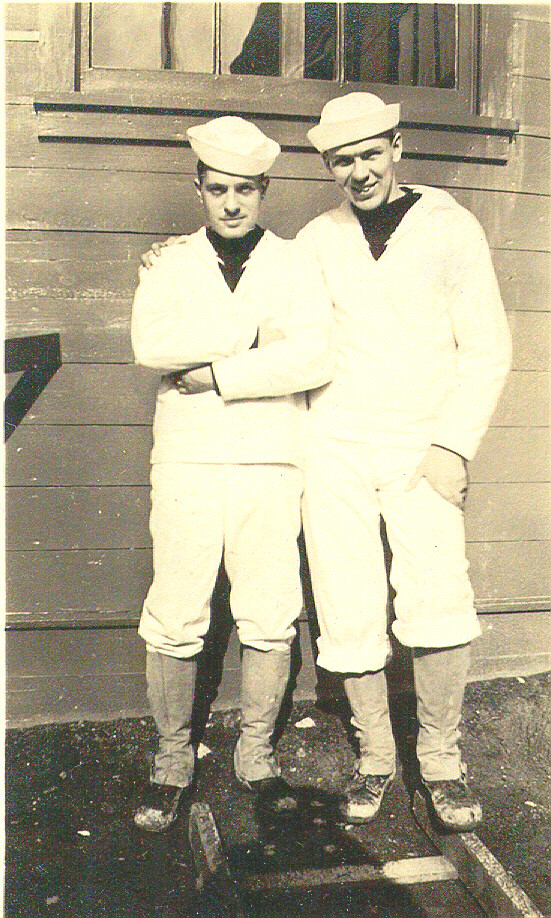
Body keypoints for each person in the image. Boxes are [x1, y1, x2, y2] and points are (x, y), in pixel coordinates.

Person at [297, 92, 512, 831]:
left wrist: (453, 446)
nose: (358, 172)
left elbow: (485, 349)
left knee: (436, 598)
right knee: (348, 600)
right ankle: (377, 758)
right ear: (328, 165)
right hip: (335, 441)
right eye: (341, 160)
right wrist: (174, 258)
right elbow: (264, 308)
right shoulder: (316, 238)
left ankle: (443, 764)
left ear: (396, 145)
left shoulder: (449, 228)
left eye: (369, 154)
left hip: (422, 443)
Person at [131, 115, 334, 832]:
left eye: (245, 189)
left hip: (269, 458)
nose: (231, 203)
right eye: (217, 188)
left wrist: (213, 370)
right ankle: (172, 759)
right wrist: (254, 337)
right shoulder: (169, 262)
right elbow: (151, 343)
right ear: (199, 188)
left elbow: (313, 357)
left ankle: (255, 755)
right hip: (187, 458)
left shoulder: (294, 262)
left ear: (263, 190)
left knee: (268, 609)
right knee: (179, 608)